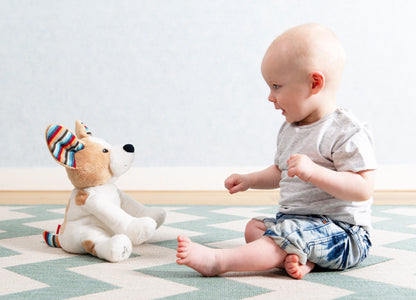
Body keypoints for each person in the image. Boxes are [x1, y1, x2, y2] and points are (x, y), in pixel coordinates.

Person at [176, 23, 377, 279]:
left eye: (277, 86)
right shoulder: (290, 128)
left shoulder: (346, 131)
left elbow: (363, 188)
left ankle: (218, 262)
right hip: (297, 224)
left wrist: (314, 173)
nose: (270, 97)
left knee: (280, 238)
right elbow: (281, 172)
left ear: (314, 83)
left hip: (344, 234)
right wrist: (250, 180)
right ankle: (302, 258)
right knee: (255, 228)